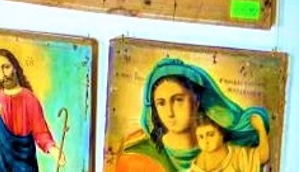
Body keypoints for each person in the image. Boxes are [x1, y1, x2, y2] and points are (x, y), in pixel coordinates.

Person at [115, 57, 270, 172]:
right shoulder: (138, 155)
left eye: (178, 100)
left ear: (196, 102)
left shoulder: (225, 150)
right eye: (161, 103)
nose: (169, 112)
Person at [0, 49, 66, 170]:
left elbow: (41, 132)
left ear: (15, 67)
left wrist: (53, 149)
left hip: (24, 166)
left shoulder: (29, 99)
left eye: (6, 67)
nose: (3, 74)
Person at [189, 112, 269, 172]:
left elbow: (262, 157)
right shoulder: (196, 166)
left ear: (221, 133)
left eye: (210, 135)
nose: (206, 141)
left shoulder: (236, 155)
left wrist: (261, 129)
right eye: (201, 137)